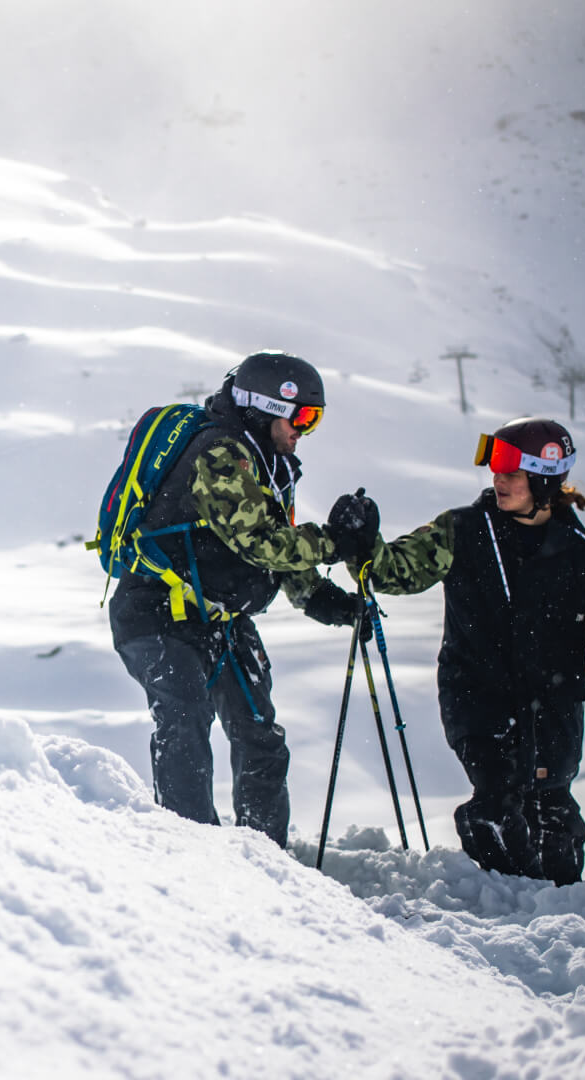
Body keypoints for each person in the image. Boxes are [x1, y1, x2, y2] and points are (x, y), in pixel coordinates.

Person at [349, 417, 585, 885]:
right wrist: (362, 542)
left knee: (554, 815)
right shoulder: (462, 530)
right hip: (479, 696)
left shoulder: (581, 552)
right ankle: (510, 905)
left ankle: (562, 904)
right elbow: (391, 572)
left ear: (544, 480)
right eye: (495, 469)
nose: (498, 479)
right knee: (500, 806)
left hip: (554, 704)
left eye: (512, 472)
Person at [108, 351, 379, 848]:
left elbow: (277, 550)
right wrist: (336, 541)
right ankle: (191, 854)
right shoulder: (218, 454)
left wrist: (329, 602)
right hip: (156, 613)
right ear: (264, 407)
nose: (305, 430)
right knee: (185, 719)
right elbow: (257, 540)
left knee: (259, 737)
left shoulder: (270, 464)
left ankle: (264, 858)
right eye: (301, 417)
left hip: (221, 620)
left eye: (314, 419)